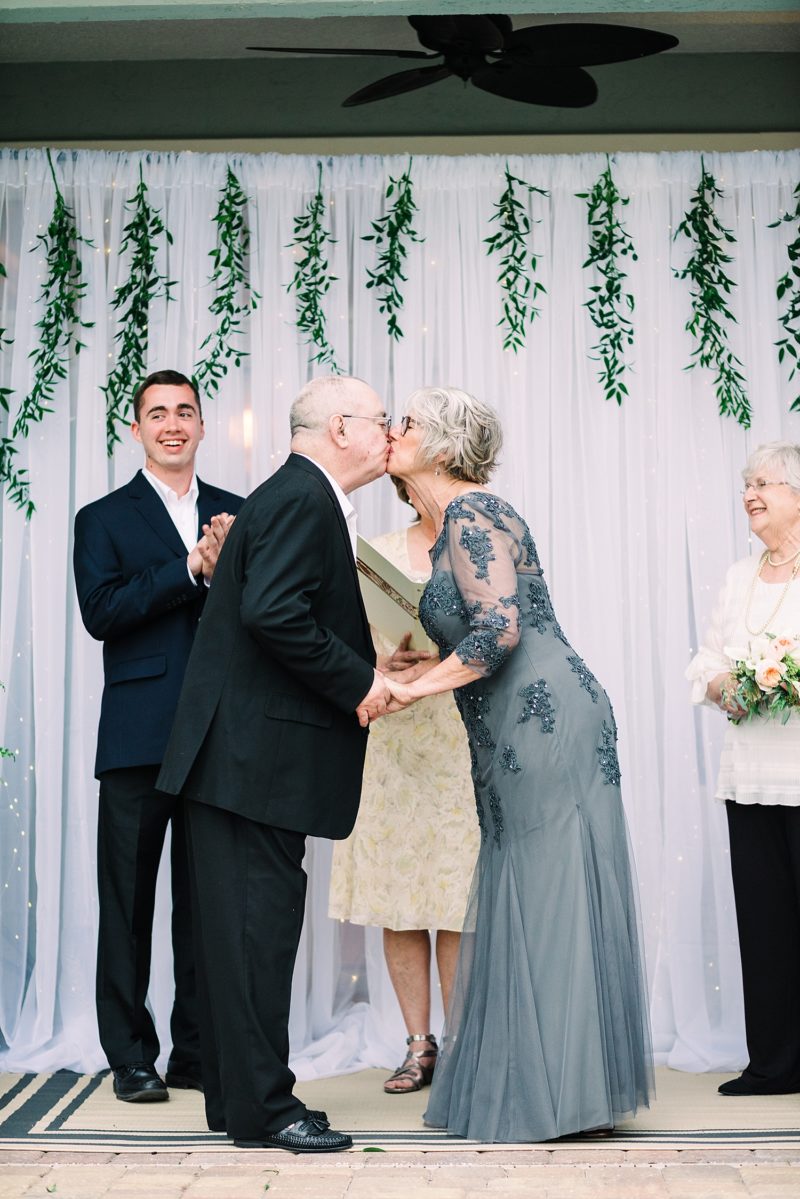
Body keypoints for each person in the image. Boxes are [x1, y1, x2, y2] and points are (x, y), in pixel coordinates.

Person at [374, 386, 653, 1143]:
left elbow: (500, 630)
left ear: (442, 442)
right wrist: (416, 660)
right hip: (505, 723)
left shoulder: (472, 513)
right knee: (525, 884)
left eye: (405, 423)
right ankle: (550, 1086)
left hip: (545, 717)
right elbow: (483, 623)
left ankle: (560, 1094)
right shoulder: (445, 527)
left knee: (546, 886)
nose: (390, 432)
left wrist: (407, 690)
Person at [156, 376, 423, 1153]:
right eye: (380, 419)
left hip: (241, 760)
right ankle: (268, 1109)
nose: (388, 431)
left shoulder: (289, 495)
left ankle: (241, 1099)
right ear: (341, 427)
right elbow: (272, 612)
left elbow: (278, 613)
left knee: (239, 942)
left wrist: (367, 656)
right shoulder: (305, 498)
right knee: (255, 940)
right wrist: (362, 683)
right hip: (252, 763)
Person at [73, 369, 242, 1102]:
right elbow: (103, 611)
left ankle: (197, 1053)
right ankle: (131, 1056)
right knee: (128, 902)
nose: (172, 423)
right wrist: (189, 567)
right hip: (139, 736)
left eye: (186, 411)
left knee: (208, 905)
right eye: (157, 413)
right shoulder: (102, 518)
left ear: (203, 426)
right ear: (135, 428)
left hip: (219, 736)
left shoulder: (242, 513)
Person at [328, 478, 480, 1094]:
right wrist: (375, 665)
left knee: (455, 899)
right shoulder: (376, 550)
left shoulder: (476, 545)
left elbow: (498, 634)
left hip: (459, 730)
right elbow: (340, 635)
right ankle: (419, 1046)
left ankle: (466, 1044)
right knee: (398, 894)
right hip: (392, 730)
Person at [686, 441, 800, 1097]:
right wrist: (724, 683)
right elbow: (705, 660)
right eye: (745, 483)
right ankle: (775, 1064)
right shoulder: (738, 576)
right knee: (766, 927)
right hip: (750, 777)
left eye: (764, 482)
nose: (750, 494)